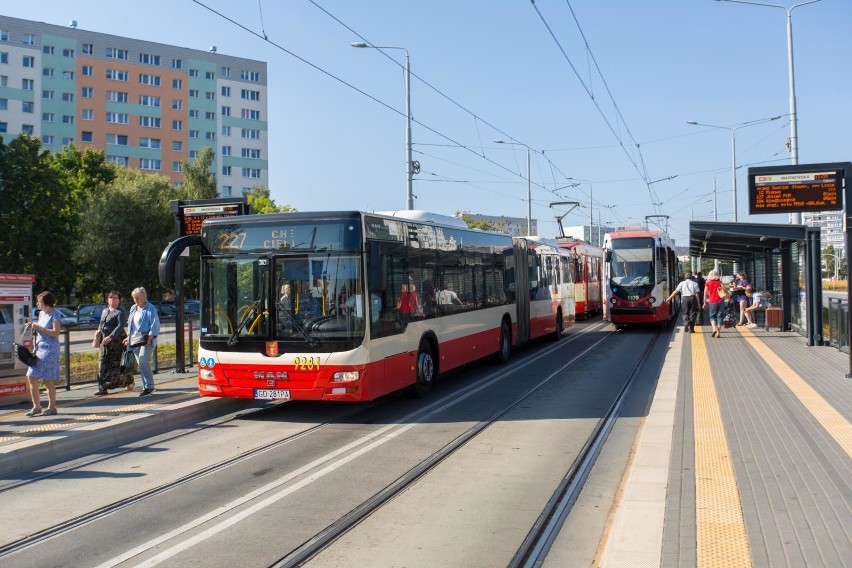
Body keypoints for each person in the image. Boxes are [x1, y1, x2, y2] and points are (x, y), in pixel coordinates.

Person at [25, 291, 61, 416]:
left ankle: (52, 407)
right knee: (31, 376)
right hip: (39, 348)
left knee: (47, 379)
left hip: (50, 349)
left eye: (39, 302)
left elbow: (56, 333)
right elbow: (40, 330)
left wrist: (39, 328)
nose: (37, 304)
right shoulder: (41, 314)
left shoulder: (55, 314)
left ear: (46, 303)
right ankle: (36, 407)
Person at [123, 287, 161, 397]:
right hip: (135, 340)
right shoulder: (133, 308)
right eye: (134, 298)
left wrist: (151, 336)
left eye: (137, 298)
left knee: (143, 361)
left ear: (144, 297)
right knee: (141, 363)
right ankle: (146, 387)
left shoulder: (150, 308)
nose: (135, 300)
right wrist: (128, 337)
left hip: (146, 339)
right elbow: (131, 325)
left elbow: (155, 323)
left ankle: (149, 387)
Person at [94, 291, 133, 395]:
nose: (113, 300)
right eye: (111, 298)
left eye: (115, 298)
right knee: (101, 363)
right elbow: (101, 323)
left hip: (116, 342)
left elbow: (120, 326)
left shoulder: (120, 312)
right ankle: (102, 388)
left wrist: (110, 337)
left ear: (119, 301)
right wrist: (98, 332)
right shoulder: (105, 311)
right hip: (104, 341)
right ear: (108, 300)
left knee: (114, 367)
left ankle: (128, 381)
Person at [702, 269, 726, 338]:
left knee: (712, 316)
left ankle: (714, 329)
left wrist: (704, 303)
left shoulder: (708, 283)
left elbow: (705, 294)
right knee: (720, 316)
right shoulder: (719, 282)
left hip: (712, 301)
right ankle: (718, 333)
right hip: (721, 300)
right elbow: (724, 290)